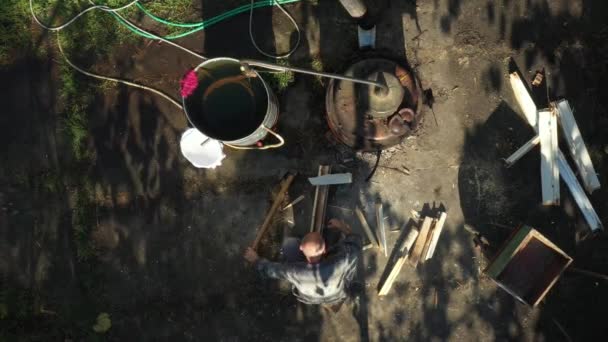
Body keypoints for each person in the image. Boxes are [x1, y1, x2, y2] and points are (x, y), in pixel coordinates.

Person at [244, 219, 362, 305]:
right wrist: (341, 226)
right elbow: (356, 241)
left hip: (310, 298)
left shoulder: (295, 271)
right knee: (339, 242)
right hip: (336, 296)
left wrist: (256, 260)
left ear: (301, 248)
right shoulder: (342, 261)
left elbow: (271, 270)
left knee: (288, 244)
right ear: (325, 249)